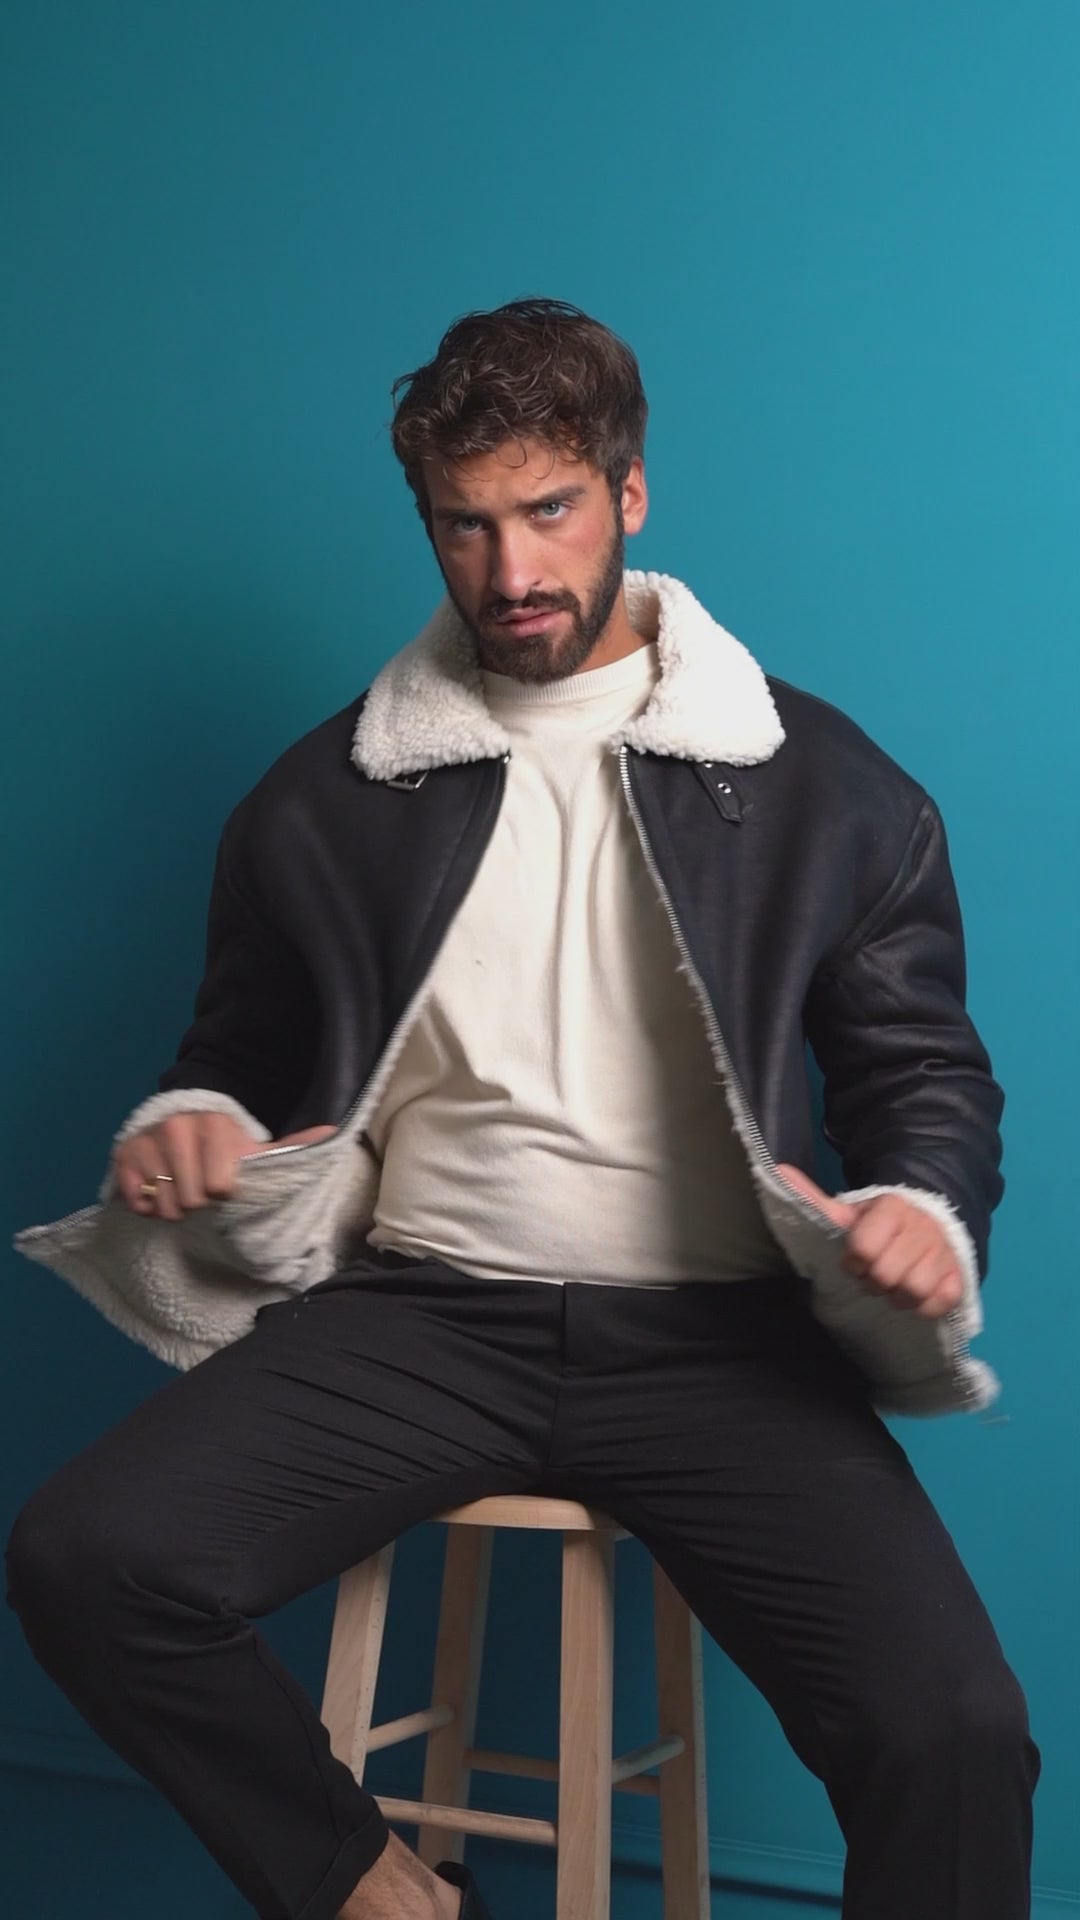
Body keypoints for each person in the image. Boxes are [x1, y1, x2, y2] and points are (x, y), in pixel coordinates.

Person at [7, 297, 1039, 1920]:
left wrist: (920, 1202)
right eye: (465, 525)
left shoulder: (828, 788)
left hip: (719, 1342)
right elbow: (236, 1054)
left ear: (630, 493)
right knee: (84, 1556)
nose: (511, 572)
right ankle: (387, 1897)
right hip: (422, 1322)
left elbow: (923, 1071)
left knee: (958, 1734)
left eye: (549, 511)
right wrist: (192, 1118)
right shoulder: (323, 796)